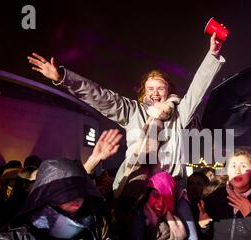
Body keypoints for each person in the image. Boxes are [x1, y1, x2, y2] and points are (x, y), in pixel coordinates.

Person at [27, 32, 225, 199]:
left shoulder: (180, 113)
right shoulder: (132, 111)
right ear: (144, 92)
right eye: (150, 88)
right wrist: (63, 78)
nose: (155, 93)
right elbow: (100, 96)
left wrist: (212, 55)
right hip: (137, 187)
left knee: (188, 239)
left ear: (169, 91)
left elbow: (197, 90)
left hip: (171, 190)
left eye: (160, 88)